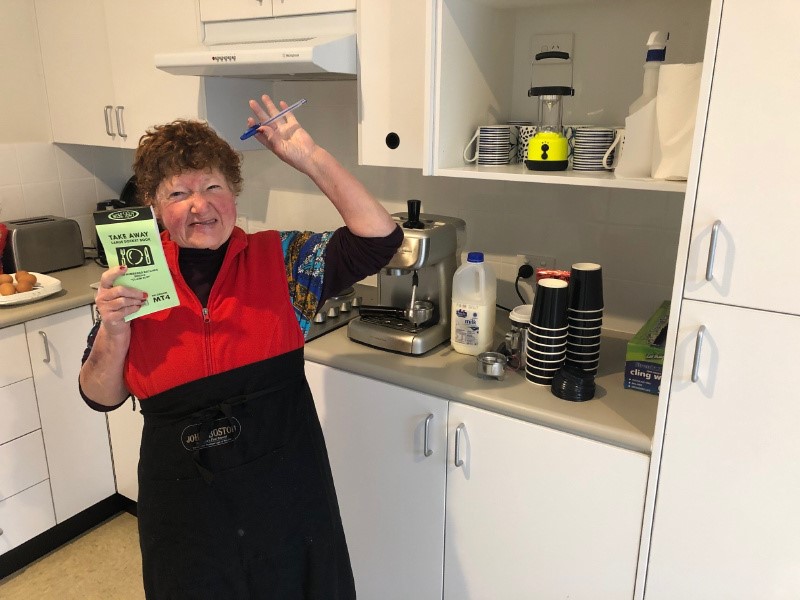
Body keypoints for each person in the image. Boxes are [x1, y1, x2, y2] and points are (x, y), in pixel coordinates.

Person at [79, 94, 402, 599]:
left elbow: (378, 240)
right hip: (185, 507)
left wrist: (309, 156)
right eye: (178, 193)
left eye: (213, 186)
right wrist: (114, 331)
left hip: (287, 498)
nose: (200, 205)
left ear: (234, 193)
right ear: (155, 208)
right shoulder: (133, 278)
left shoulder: (286, 261)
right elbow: (100, 394)